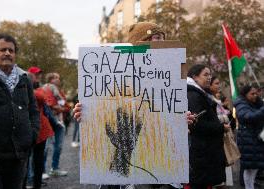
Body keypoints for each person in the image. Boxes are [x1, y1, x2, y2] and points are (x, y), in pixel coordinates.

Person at [74, 22, 195, 189]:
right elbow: (104, 125)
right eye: (155, 38)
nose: (160, 44)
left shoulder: (172, 81)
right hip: (125, 177)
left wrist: (180, 121)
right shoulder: (115, 84)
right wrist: (87, 115)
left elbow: (165, 123)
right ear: (140, 43)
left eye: (162, 39)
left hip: (160, 172)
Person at [0, 33, 40, 189]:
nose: (7, 53)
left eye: (11, 50)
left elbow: (33, 110)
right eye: (3, 49)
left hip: (19, 154)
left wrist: (32, 134)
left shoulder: (24, 79)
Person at [187, 64, 228, 189]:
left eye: (210, 74)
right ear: (195, 77)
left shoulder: (201, 93)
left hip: (205, 153)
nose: (209, 77)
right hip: (201, 153)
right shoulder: (193, 95)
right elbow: (198, 124)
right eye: (205, 74)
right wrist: (220, 128)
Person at [25, 67, 54, 189]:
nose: (38, 76)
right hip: (29, 127)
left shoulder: (38, 87)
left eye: (39, 74)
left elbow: (48, 100)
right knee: (28, 160)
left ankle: (36, 182)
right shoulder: (34, 88)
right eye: (36, 74)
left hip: (40, 128)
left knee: (38, 159)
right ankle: (30, 181)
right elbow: (43, 98)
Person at [234, 84, 264, 189]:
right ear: (245, 94)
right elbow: (248, 117)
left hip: (255, 139)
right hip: (247, 140)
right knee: (249, 169)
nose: (255, 95)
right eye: (252, 94)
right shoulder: (241, 104)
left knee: (254, 168)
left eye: (256, 93)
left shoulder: (256, 103)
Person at [43, 72, 70, 177]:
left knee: (58, 146)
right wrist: (56, 107)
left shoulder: (60, 92)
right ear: (50, 79)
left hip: (60, 122)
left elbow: (67, 107)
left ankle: (54, 169)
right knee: (45, 147)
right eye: (55, 78)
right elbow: (46, 103)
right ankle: (42, 171)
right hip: (48, 121)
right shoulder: (45, 89)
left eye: (58, 77)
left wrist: (59, 108)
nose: (58, 79)